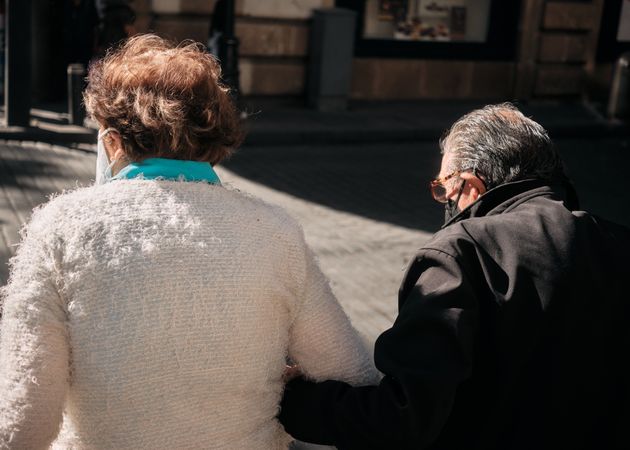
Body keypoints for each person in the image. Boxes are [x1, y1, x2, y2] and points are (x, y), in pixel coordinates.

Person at [0, 34, 377, 449]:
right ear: (213, 137)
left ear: (111, 141)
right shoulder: (275, 230)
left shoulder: (60, 227)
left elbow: (24, 417)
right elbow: (349, 373)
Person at [279, 103, 630, 449]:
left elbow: (403, 420)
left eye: (443, 190)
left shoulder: (461, 253)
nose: (444, 203)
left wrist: (294, 400)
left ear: (470, 186)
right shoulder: (617, 242)